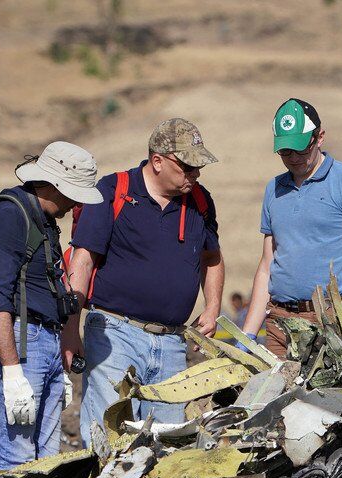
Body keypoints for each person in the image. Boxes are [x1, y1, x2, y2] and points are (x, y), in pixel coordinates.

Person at [64, 119, 224, 443]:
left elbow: (212, 258)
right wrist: (70, 329)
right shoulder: (113, 191)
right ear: (157, 161)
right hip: (114, 334)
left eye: (198, 167)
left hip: (171, 344)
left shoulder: (200, 202)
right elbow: (82, 259)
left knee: (166, 444)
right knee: (108, 438)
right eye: (188, 166)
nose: (195, 174)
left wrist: (213, 306)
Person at [0, 141, 102, 478]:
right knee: (16, 450)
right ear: (55, 185)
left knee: (46, 452)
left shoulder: (44, 220)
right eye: (72, 196)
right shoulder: (7, 216)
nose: (74, 205)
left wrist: (56, 361)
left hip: (43, 341)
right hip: (18, 341)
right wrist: (12, 372)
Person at [239, 98, 342, 364]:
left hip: (332, 323)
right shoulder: (273, 189)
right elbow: (267, 265)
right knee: (277, 403)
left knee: (329, 404)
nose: (294, 159)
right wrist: (248, 334)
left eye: (300, 149)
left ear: (319, 138)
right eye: (286, 152)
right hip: (280, 322)